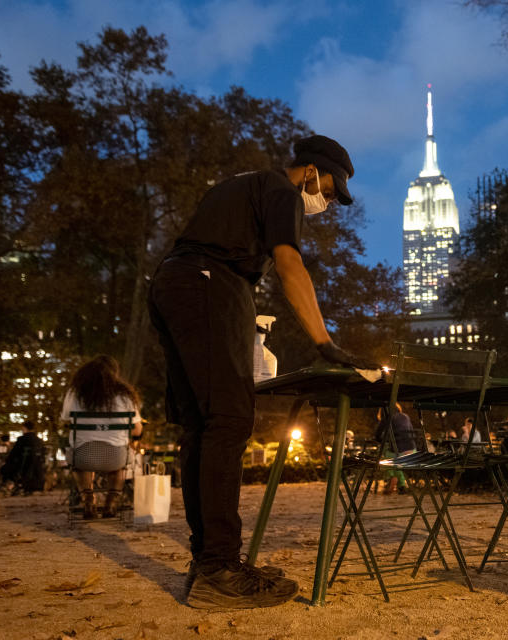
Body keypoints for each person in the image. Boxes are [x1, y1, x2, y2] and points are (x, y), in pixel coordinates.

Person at [149, 134, 376, 609]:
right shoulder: (281, 191)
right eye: (331, 191)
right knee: (230, 421)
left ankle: (209, 559)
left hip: (175, 282)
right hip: (207, 284)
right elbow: (289, 263)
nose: (329, 203)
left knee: (202, 425)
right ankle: (219, 568)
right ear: (311, 171)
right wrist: (325, 342)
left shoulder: (244, 185)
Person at [61, 356, 143, 519]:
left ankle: (88, 500)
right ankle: (111, 502)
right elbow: (136, 431)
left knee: (80, 464)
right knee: (119, 466)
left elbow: (65, 419)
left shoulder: (75, 393)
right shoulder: (125, 396)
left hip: (83, 457)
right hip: (115, 458)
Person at [374, 403, 416, 494]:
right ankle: (401, 485)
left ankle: (393, 479)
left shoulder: (387, 418)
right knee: (394, 460)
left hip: (399, 453)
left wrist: (384, 440)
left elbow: (377, 436)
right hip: (413, 452)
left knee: (384, 459)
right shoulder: (406, 416)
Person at [0, 420, 46, 494]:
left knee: (5, 468)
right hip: (37, 467)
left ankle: (8, 486)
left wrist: (7, 460)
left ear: (24, 428)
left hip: (23, 466)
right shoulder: (39, 441)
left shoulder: (22, 439)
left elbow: (13, 454)